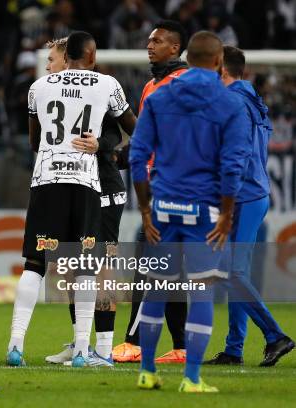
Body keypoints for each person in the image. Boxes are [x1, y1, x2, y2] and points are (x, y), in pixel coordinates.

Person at [7, 30, 137, 368]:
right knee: (86, 269)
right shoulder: (107, 85)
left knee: (35, 264)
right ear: (92, 56)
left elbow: (35, 142)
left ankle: (15, 345)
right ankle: (82, 351)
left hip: (47, 180)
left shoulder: (39, 87)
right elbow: (134, 128)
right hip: (85, 183)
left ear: (67, 56)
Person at [130, 31, 250, 392]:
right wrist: (227, 214)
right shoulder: (229, 104)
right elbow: (232, 166)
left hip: (164, 208)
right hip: (205, 211)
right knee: (201, 290)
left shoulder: (159, 95)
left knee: (156, 289)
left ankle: (147, 372)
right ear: (217, 62)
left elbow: (137, 157)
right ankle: (192, 378)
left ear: (187, 56)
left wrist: (146, 210)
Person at [204, 46, 294, 367]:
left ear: (222, 71)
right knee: (234, 273)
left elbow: (238, 155)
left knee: (233, 272)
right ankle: (234, 348)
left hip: (242, 196)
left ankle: (276, 336)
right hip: (253, 194)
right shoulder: (253, 100)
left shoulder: (233, 103)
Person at [42, 37, 126, 367]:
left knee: (101, 267)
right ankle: (80, 342)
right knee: (72, 266)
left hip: (103, 188)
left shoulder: (99, 89)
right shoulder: (51, 92)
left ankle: (104, 349)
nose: (48, 65)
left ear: (69, 61)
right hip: (72, 188)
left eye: (52, 59)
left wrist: (100, 145)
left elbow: (116, 135)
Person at [113, 20, 190, 365]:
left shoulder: (183, 84)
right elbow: (145, 138)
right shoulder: (150, 86)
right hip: (159, 183)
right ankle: (181, 346)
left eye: (157, 41)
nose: (149, 45)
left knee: (150, 262)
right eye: (149, 40)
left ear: (175, 48)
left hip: (178, 186)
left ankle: (134, 342)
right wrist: (117, 154)